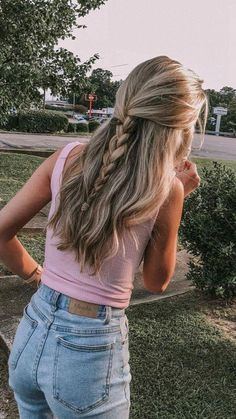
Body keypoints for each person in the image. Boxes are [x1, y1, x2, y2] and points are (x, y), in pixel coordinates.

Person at [0, 56, 208, 419]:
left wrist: (38, 277)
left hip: (32, 328)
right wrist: (177, 200)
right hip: (89, 348)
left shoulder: (67, 157)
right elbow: (157, 281)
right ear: (180, 127)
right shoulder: (167, 189)